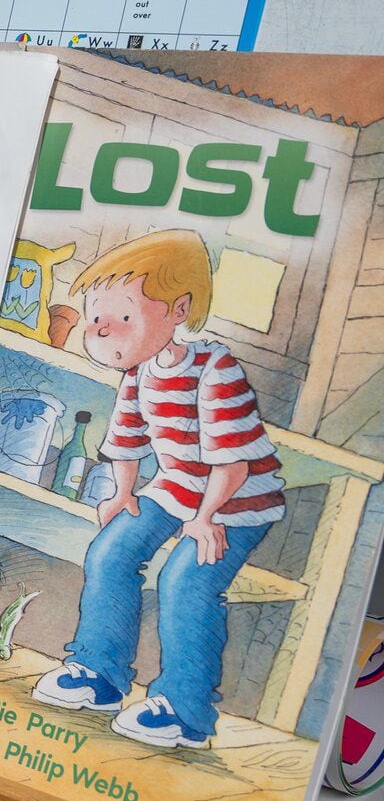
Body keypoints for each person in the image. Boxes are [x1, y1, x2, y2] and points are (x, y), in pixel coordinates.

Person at [32, 230, 285, 750]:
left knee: (185, 579)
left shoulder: (215, 369)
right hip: (178, 486)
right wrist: (123, 492)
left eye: (123, 315)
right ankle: (98, 671)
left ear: (179, 310)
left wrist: (207, 516)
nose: (103, 329)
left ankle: (185, 707)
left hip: (236, 499)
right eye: (97, 314)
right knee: (109, 553)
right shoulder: (140, 373)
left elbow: (233, 461)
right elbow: (126, 439)